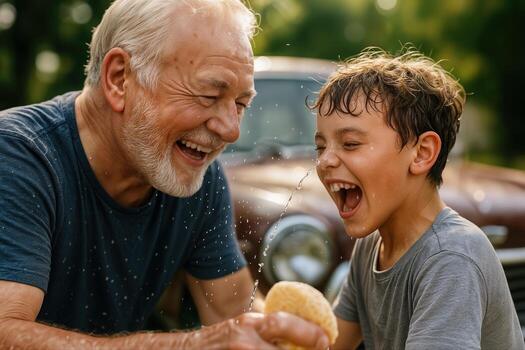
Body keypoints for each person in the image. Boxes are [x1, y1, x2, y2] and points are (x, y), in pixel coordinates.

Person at [0, 0, 330, 349]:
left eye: (240, 104)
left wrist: (285, 331)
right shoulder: (18, 156)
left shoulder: (194, 175)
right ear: (118, 79)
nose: (231, 131)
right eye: (208, 95)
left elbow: (233, 314)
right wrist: (193, 345)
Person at [313, 48, 525, 349]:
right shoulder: (372, 246)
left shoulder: (451, 257)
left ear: (422, 153)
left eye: (350, 143)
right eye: (320, 147)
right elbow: (331, 344)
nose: (325, 162)